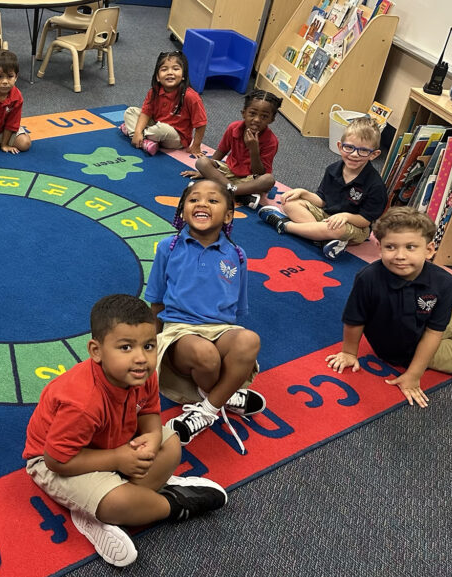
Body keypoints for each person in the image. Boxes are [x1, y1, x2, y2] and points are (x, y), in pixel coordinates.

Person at [23, 294, 227, 567]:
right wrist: (118, 459)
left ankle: (111, 504)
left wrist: (153, 439)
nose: (141, 358)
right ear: (96, 351)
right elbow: (56, 461)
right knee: (117, 503)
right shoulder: (82, 402)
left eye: (149, 345)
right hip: (58, 462)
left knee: (171, 444)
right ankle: (172, 504)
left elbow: (149, 413)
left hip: (114, 442)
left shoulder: (143, 375)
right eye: (126, 347)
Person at [144, 180, 267, 454]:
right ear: (183, 210)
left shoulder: (237, 254)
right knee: (205, 354)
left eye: (212, 200)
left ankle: (209, 408)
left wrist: (230, 339)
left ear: (228, 215)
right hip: (179, 331)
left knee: (249, 340)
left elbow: (237, 308)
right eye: (193, 200)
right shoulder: (168, 247)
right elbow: (155, 300)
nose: (201, 203)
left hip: (220, 328)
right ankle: (225, 395)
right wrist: (150, 345)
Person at [326, 207, 452, 407]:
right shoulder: (368, 278)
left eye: (411, 247)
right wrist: (349, 352)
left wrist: (414, 375)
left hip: (442, 321)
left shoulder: (444, 280)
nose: (400, 255)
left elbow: (435, 330)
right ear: (379, 247)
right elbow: (355, 320)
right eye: (391, 247)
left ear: (429, 249)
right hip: (407, 345)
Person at [258, 116, 387, 259]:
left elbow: (365, 220)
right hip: (325, 216)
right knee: (289, 203)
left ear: (374, 155)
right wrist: (303, 192)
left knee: (336, 229)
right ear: (340, 146)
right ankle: (321, 238)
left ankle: (285, 225)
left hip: (354, 226)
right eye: (349, 147)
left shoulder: (375, 185)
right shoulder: (332, 169)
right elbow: (322, 201)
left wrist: (345, 216)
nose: (354, 154)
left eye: (363, 151)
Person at [181, 90, 282, 209]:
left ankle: (226, 189)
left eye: (264, 116)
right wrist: (203, 172)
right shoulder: (234, 127)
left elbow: (260, 173)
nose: (257, 120)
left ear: (272, 119)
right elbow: (221, 151)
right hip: (228, 172)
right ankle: (236, 193)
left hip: (249, 179)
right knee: (202, 162)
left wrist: (254, 150)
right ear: (243, 113)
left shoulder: (271, 141)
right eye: (252, 113)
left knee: (268, 180)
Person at [120, 50, 207, 156]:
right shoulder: (154, 91)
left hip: (176, 138)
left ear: (183, 75)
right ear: (157, 77)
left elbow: (201, 124)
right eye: (164, 69)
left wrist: (196, 146)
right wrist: (138, 131)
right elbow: (146, 113)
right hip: (155, 126)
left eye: (175, 69)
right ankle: (143, 140)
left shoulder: (191, 97)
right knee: (130, 111)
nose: (170, 72)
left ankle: (132, 132)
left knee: (162, 129)